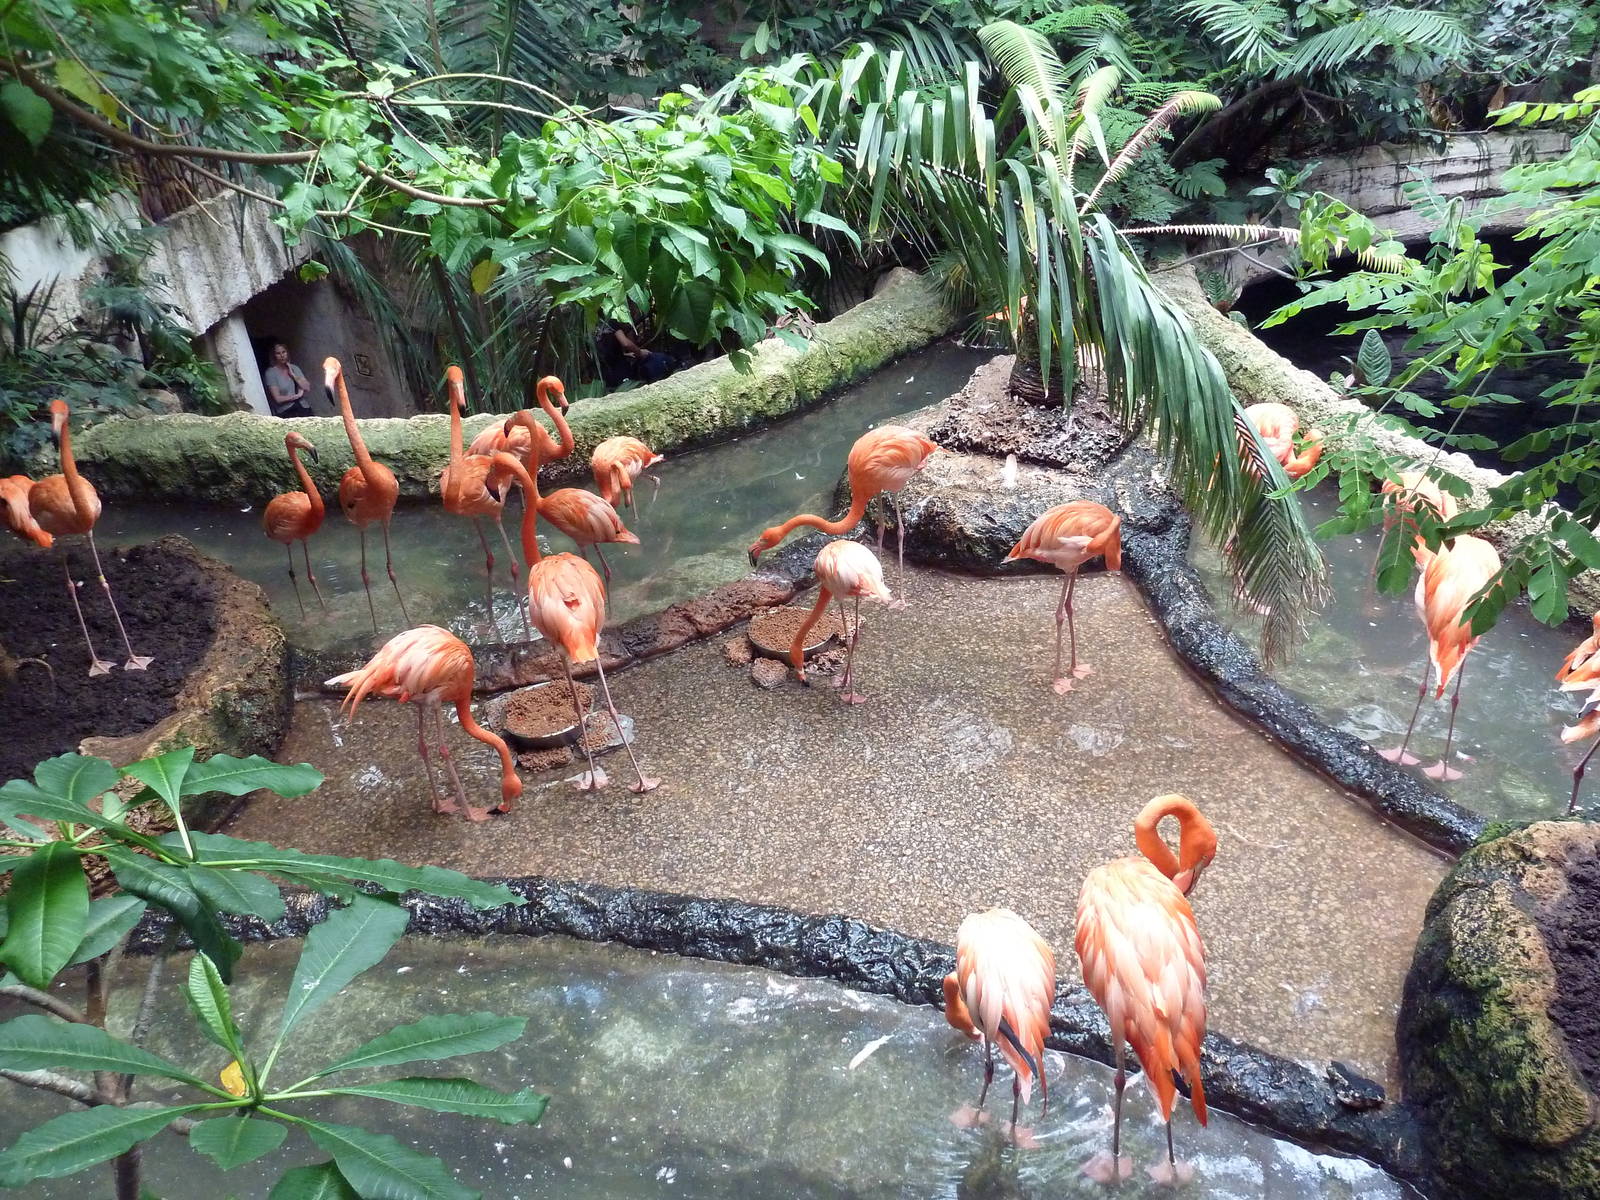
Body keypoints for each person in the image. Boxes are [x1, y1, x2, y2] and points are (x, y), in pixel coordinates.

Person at [595, 316, 677, 389]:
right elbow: (625, 343)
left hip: (601, 370)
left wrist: (625, 354)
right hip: (618, 367)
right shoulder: (610, 320)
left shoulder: (592, 323)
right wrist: (640, 352)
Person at [262, 342, 313, 417]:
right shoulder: (271, 373)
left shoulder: (294, 368)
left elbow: (307, 387)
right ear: (274, 356)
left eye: (284, 352)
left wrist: (293, 375)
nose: (282, 356)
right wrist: (296, 396)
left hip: (303, 407)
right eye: (278, 353)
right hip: (286, 411)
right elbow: (278, 399)